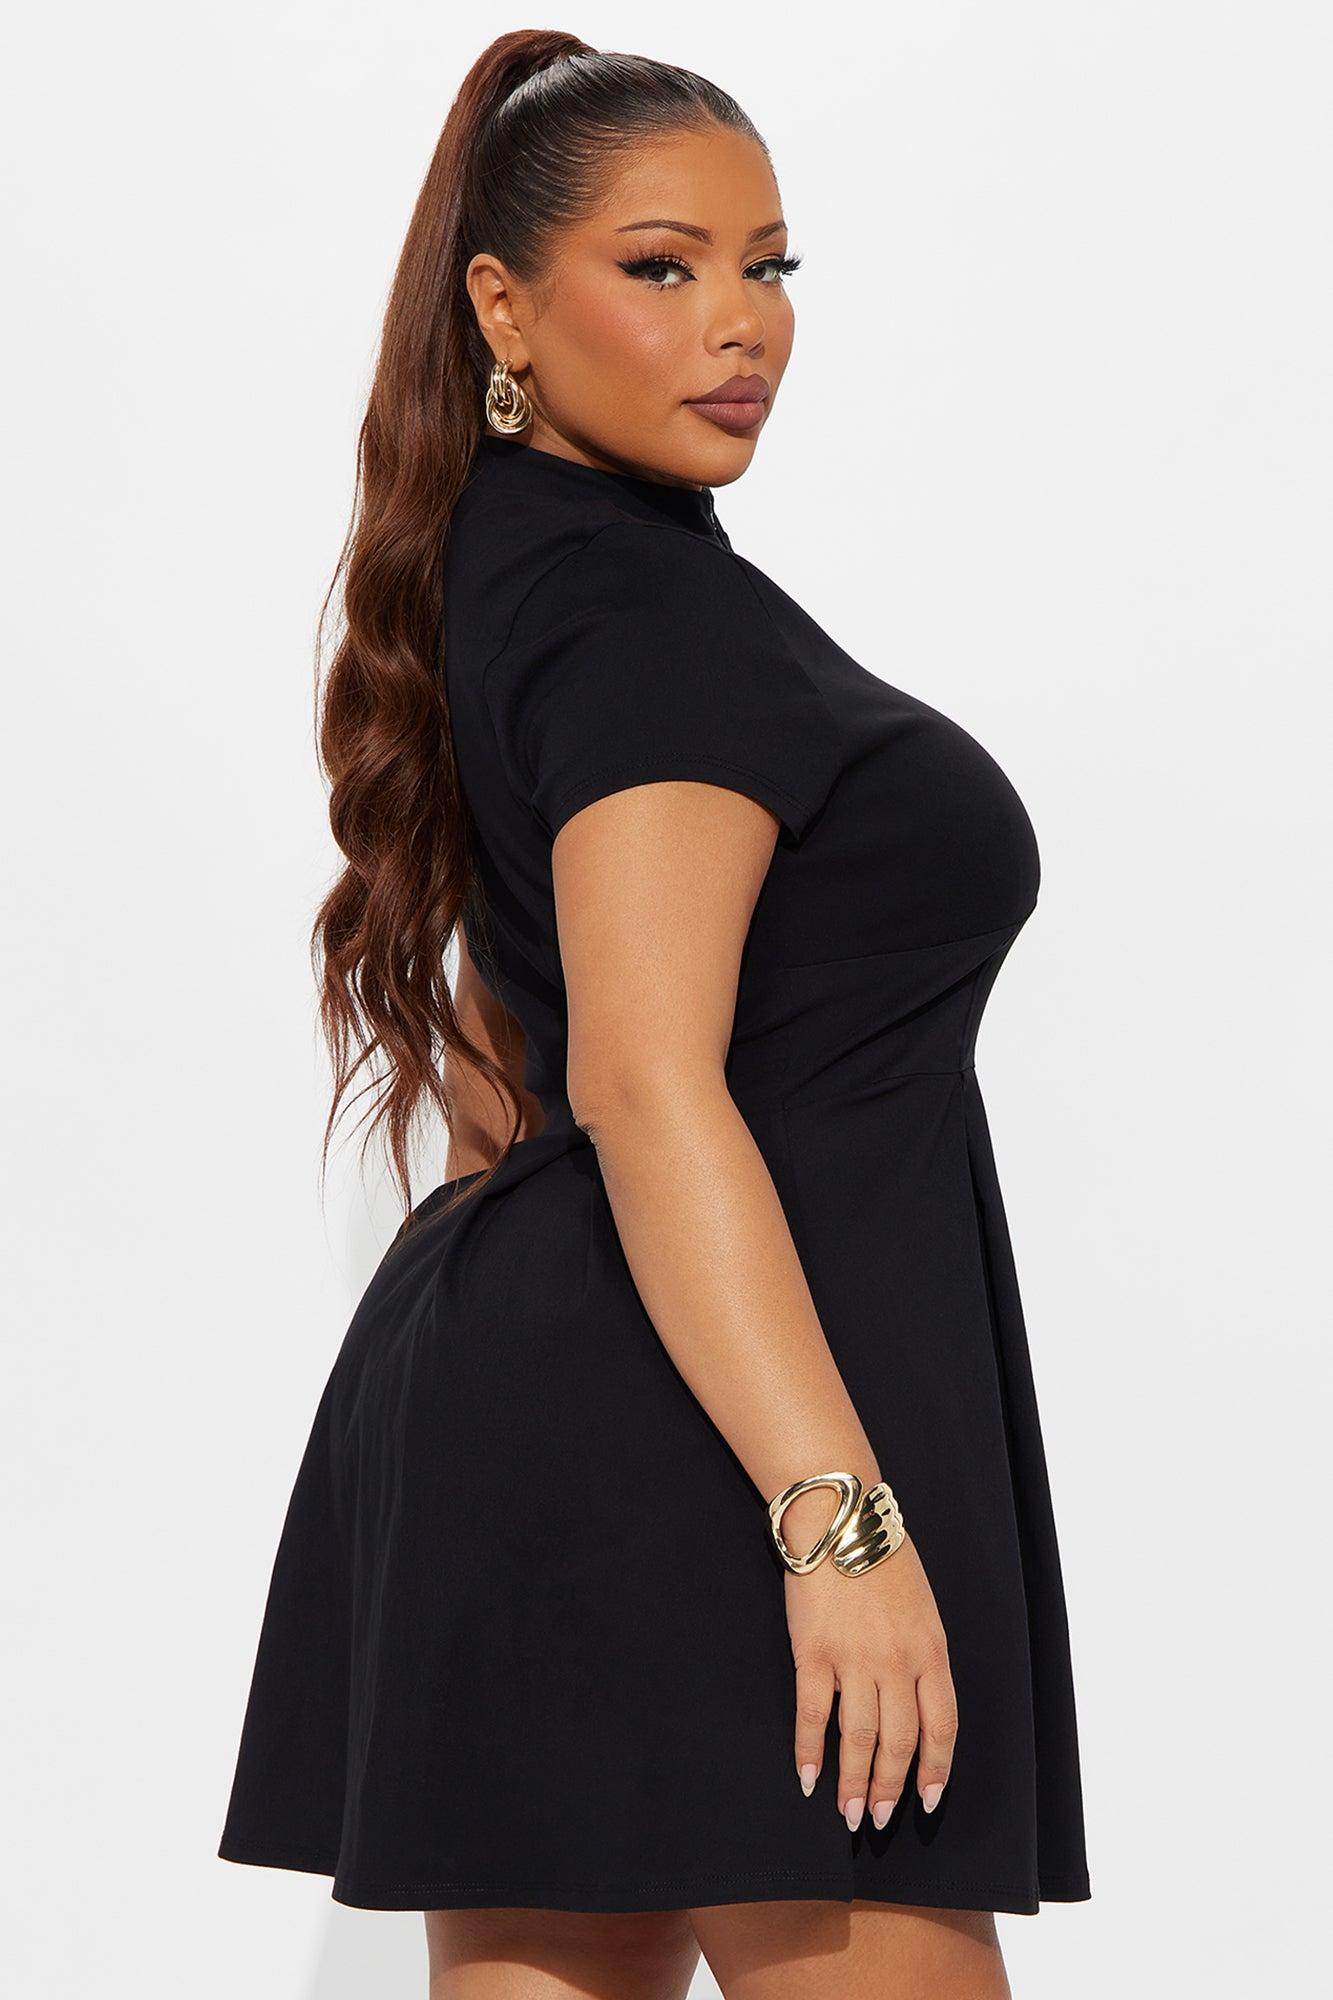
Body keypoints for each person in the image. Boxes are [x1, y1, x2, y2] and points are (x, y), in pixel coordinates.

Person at [218, 29, 1092, 1999]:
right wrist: (835, 1522)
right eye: (662, 266)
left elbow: (504, 1076)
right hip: (729, 1447)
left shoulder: (524, 576)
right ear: (502, 308)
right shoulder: (646, 617)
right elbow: (636, 1079)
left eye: (769, 267)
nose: (739, 323)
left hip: (563, 1419)